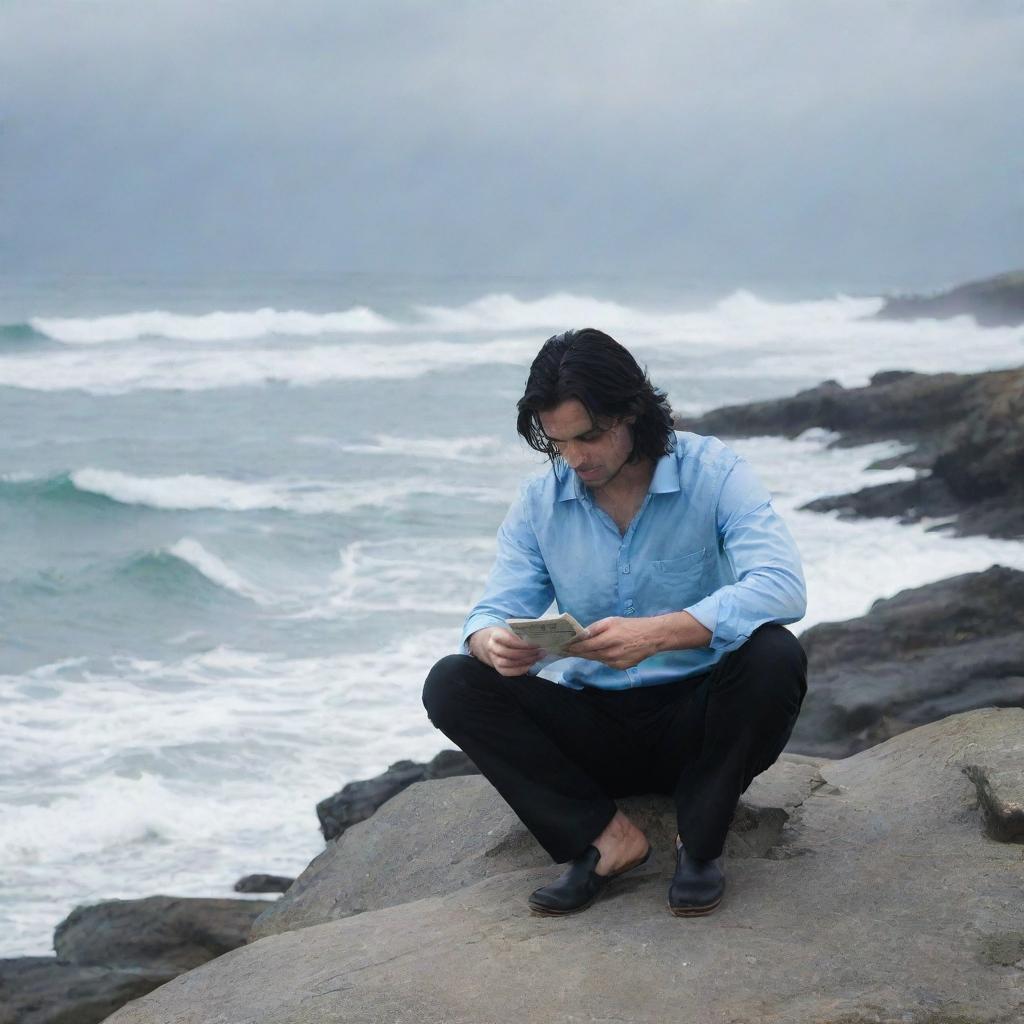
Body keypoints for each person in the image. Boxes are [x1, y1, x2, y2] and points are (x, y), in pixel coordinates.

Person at [422, 327, 808, 917]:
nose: (578, 457)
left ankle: (699, 840)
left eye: (591, 436)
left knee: (776, 654)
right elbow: (489, 610)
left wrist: (658, 632)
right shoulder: (539, 501)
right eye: (560, 442)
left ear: (633, 410)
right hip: (594, 728)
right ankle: (605, 840)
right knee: (452, 681)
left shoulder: (715, 471)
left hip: (701, 719)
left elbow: (781, 587)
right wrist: (491, 643)